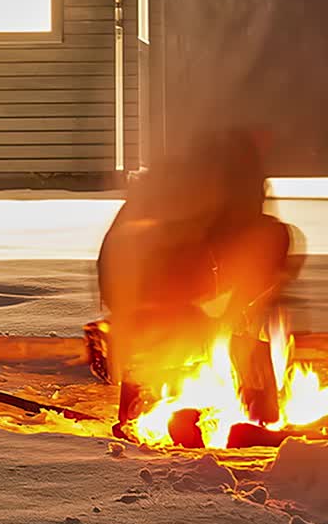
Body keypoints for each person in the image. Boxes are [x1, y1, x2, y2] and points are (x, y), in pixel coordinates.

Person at [93, 128, 303, 428]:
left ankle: (246, 386)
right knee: (265, 243)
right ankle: (155, 382)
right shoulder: (180, 205)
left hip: (168, 301)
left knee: (267, 245)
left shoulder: (216, 204)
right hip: (152, 304)